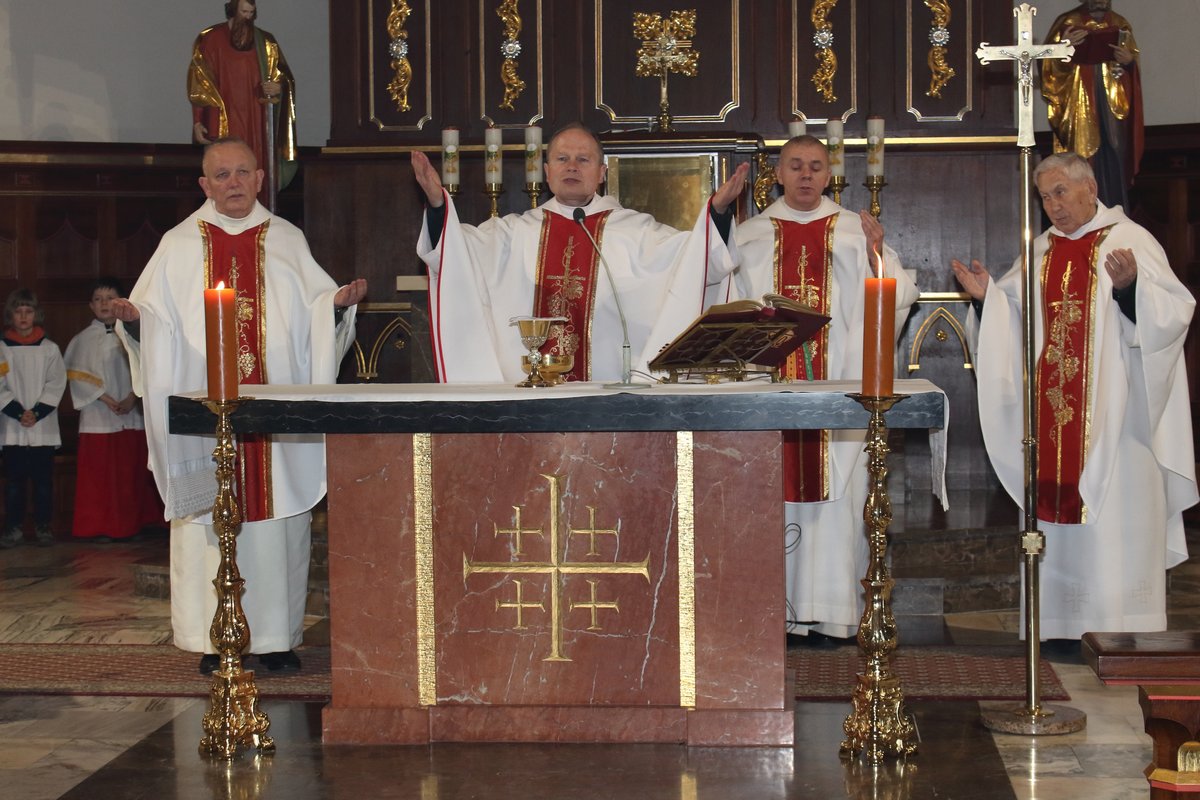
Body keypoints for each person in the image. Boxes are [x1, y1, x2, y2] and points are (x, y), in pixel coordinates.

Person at [113, 137, 367, 675]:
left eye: (242, 172)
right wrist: (136, 323)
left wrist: (334, 308)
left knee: (276, 528)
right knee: (205, 517)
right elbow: (152, 319)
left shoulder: (287, 240)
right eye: (222, 174)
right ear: (204, 185)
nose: (233, 183)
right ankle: (212, 639)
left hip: (270, 416)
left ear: (259, 179)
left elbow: (313, 313)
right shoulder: (178, 245)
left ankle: (274, 638)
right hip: (203, 417)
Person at [951, 152, 1196, 641]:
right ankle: (1059, 626)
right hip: (1053, 417)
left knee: (1116, 517)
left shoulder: (1130, 240)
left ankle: (1118, 623)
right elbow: (1013, 318)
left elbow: (1174, 314)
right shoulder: (1041, 251)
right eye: (1045, 197)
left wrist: (1130, 290)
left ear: (1090, 189)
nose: (1053, 206)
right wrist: (988, 299)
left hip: (1119, 418)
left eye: (1061, 192)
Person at [732, 135, 919, 643]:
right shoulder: (749, 236)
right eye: (796, 165)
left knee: (840, 498)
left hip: (839, 393)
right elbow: (726, 303)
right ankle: (774, 613)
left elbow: (899, 293)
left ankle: (833, 612)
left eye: (816, 166)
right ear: (778, 174)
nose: (806, 175)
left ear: (829, 174)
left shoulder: (857, 232)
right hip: (770, 394)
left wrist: (878, 258)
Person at [411, 122, 749, 383]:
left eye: (583, 159)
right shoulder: (512, 233)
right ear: (547, 172)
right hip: (531, 399)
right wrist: (439, 205)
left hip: (611, 393)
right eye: (562, 159)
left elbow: (696, 260)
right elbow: (457, 252)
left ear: (601, 173)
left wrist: (718, 213)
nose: (572, 166)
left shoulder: (637, 232)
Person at [63, 277, 163, 542]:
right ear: (90, 306)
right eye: (98, 299)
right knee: (99, 477)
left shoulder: (133, 334)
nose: (104, 304)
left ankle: (135, 524)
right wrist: (106, 399)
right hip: (99, 415)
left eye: (109, 298)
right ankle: (98, 526)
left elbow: (147, 367)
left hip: (132, 413)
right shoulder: (82, 339)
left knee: (130, 475)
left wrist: (132, 397)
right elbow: (77, 376)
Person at [188, 0, 296, 209]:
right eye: (244, 11)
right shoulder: (210, 40)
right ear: (233, 10)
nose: (248, 17)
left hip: (258, 123)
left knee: (255, 167)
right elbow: (200, 84)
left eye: (251, 13)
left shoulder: (265, 42)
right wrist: (198, 121)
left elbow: (283, 78)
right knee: (225, 168)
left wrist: (279, 87)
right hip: (224, 121)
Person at [1041, 0, 1143, 210]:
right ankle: (1082, 210)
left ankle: (1115, 210)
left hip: (1113, 102)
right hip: (1079, 102)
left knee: (1115, 150)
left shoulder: (1120, 23)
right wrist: (1062, 48)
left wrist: (1128, 62)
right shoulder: (1068, 22)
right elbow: (1049, 68)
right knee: (1082, 157)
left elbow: (1132, 64)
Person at [0, 289, 66, 549]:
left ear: (36, 314)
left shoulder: (49, 349)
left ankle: (43, 527)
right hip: (12, 426)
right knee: (14, 483)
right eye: (18, 312)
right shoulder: (3, 349)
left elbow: (56, 383)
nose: (24, 316)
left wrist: (36, 412)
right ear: (10, 316)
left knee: (43, 483)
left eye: (28, 311)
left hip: (42, 427)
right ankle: (13, 528)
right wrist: (19, 412)